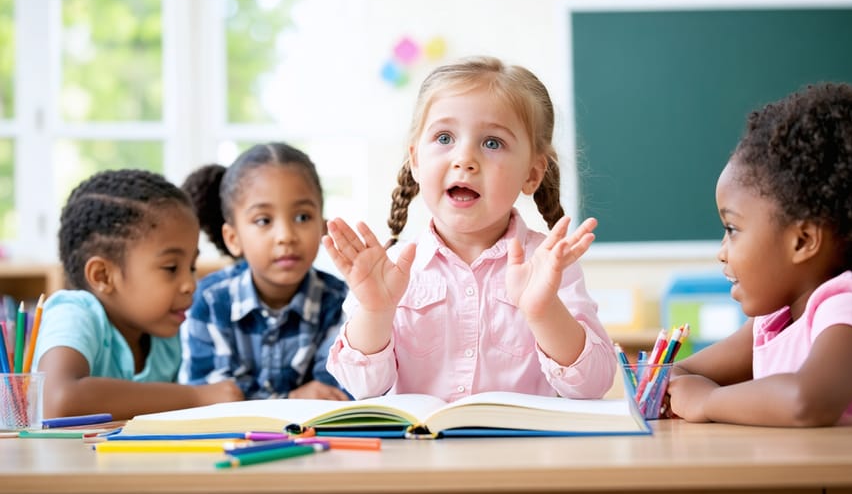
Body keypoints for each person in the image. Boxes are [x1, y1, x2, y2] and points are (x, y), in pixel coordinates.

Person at [323, 55, 616, 402]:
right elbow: (362, 388)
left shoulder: (549, 266)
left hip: (526, 454)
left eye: (492, 142)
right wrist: (375, 311)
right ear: (415, 160)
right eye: (444, 137)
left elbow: (592, 386)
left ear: (532, 174)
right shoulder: (390, 271)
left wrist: (543, 311)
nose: (465, 159)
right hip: (420, 453)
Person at [668, 84, 852, 437]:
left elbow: (807, 401)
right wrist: (667, 383)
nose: (722, 250)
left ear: (803, 240)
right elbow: (682, 373)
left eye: (732, 228)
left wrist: (708, 401)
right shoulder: (774, 320)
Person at [33, 169, 243, 419]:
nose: (190, 284)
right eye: (171, 268)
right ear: (103, 276)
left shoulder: (165, 339)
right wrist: (195, 397)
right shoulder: (75, 313)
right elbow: (57, 400)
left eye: (192, 267)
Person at [179, 143, 349, 400]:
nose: (285, 236)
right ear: (233, 238)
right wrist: (290, 401)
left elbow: (331, 393)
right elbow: (212, 397)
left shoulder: (340, 300)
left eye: (302, 217)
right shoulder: (210, 301)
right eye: (263, 221)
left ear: (323, 226)